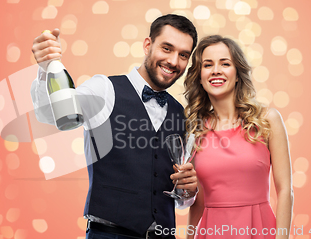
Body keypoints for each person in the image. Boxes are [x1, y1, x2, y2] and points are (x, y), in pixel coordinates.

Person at [31, 14, 200, 239]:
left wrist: (187, 191)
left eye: (183, 55)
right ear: (147, 45)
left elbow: (179, 198)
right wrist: (45, 68)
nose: (173, 61)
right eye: (167, 48)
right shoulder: (104, 88)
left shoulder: (181, 113)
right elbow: (50, 114)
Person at [183, 35, 293, 239]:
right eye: (208, 65)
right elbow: (199, 200)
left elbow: (285, 190)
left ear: (237, 74)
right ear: (199, 76)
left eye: (225, 63)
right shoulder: (194, 130)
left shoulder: (267, 120)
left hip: (259, 230)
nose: (216, 70)